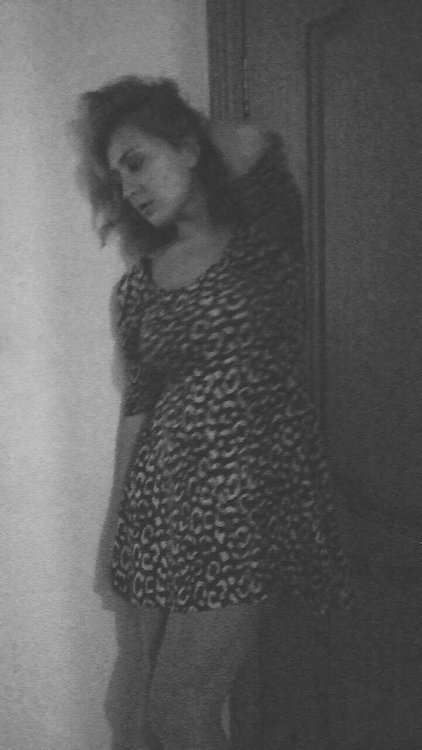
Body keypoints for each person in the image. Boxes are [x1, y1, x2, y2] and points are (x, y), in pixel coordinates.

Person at [77, 76, 351, 750]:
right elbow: (139, 408)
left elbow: (253, 142)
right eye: (117, 179)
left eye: (137, 161)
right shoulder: (139, 284)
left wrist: (169, 123)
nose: (129, 188)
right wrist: (115, 530)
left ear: (188, 146)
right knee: (133, 714)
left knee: (180, 713)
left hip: (242, 506)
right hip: (159, 509)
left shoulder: (266, 241)